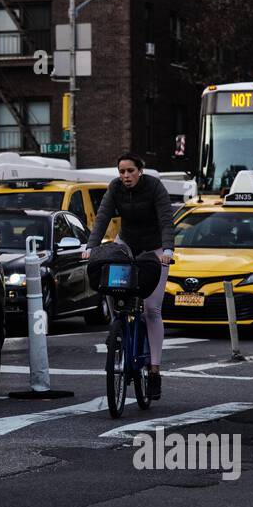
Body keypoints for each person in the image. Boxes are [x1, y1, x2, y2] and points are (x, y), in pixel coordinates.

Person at [82, 152, 175, 401]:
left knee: (152, 310)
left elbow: (167, 221)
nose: (125, 176)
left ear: (140, 171)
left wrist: (167, 250)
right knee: (112, 285)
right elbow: (102, 217)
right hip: (126, 243)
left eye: (130, 171)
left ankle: (154, 370)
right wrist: (91, 247)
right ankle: (118, 328)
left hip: (154, 249)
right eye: (121, 172)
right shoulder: (115, 188)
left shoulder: (155, 187)